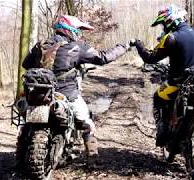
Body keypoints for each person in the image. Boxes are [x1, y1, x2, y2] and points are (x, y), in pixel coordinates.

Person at [20, 15, 131, 163]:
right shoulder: (77, 47)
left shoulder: (40, 45)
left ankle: (20, 158)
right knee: (88, 123)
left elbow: (26, 65)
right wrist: (123, 47)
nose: (79, 33)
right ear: (69, 29)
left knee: (26, 125)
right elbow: (103, 57)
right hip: (66, 95)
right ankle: (92, 157)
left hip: (39, 94)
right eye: (78, 29)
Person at [130, 5, 194, 146]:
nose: (163, 27)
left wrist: (138, 44)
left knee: (157, 96)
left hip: (178, 84)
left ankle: (162, 131)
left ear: (171, 20)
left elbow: (150, 57)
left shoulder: (171, 38)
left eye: (164, 23)